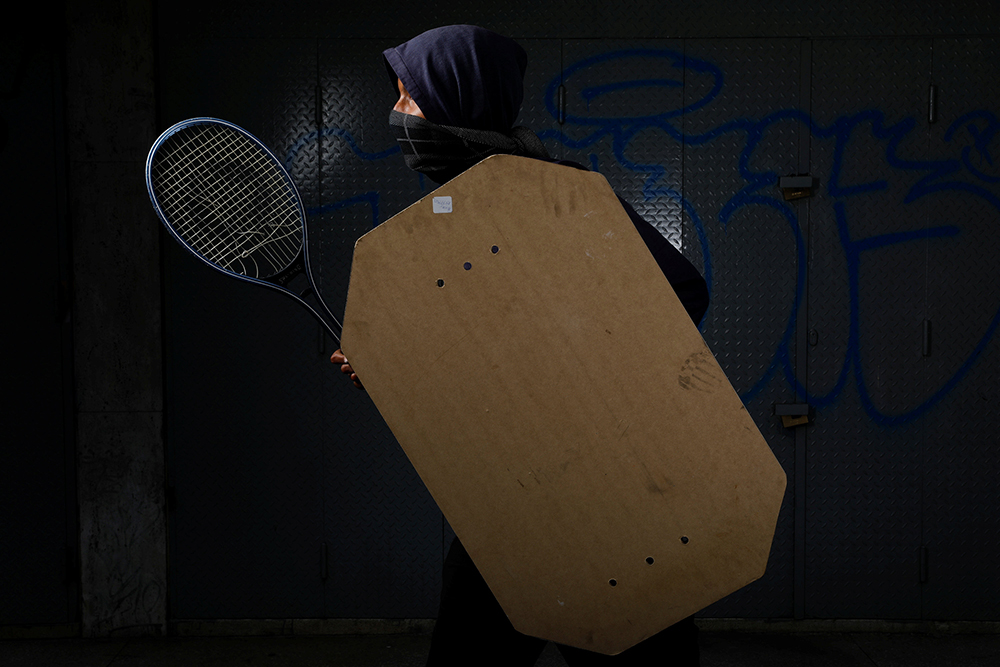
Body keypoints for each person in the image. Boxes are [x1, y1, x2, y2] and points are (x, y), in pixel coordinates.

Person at [331, 25, 709, 667]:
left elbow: (681, 291)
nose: (397, 113)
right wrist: (396, 365)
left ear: (459, 99)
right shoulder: (449, 213)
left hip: (605, 498)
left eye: (409, 97)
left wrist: (567, 356)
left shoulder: (555, 193)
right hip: (514, 499)